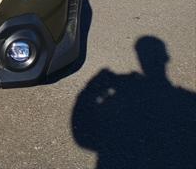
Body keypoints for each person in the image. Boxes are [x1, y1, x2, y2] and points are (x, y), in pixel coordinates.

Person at [72, 36, 196, 168]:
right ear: (166, 58)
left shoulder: (118, 100)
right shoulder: (188, 100)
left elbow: (84, 138)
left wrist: (90, 88)